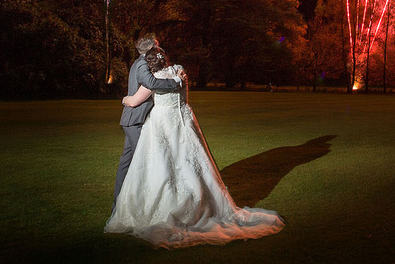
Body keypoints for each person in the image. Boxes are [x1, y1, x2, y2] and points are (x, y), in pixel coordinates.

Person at [104, 46, 285, 248]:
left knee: (161, 165)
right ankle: (201, 202)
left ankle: (167, 206)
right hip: (183, 123)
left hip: (162, 125)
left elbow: (135, 100)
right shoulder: (180, 72)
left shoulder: (155, 79)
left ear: (151, 63)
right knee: (190, 162)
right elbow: (184, 99)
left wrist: (124, 98)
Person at [113, 36, 182, 207]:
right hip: (135, 119)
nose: (159, 49)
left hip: (133, 120)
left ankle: (119, 203)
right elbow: (150, 82)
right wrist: (175, 81)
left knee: (127, 162)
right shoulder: (142, 64)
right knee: (143, 161)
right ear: (151, 47)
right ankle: (139, 203)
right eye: (157, 46)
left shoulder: (142, 62)